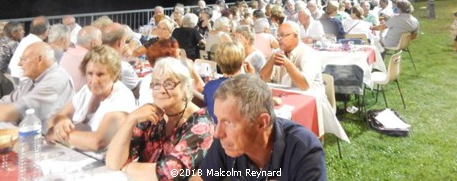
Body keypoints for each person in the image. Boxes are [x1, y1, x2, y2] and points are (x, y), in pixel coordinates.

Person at [194, 74, 326, 181]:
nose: (217, 133)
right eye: (218, 120)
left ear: (262, 123)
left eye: (228, 122)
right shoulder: (226, 142)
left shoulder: (302, 149)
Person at [105, 57, 214, 180]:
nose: (161, 90)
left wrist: (127, 167)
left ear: (185, 87)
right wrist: (130, 120)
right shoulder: (150, 114)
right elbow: (112, 163)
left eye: (169, 84)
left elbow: (168, 173)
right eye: (156, 84)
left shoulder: (201, 124)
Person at [0, 42, 74, 132]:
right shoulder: (32, 79)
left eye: (23, 59)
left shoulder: (56, 80)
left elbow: (7, 114)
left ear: (40, 59)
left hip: (44, 141)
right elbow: (2, 104)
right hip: (24, 133)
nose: (19, 64)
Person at [46, 46, 136, 156]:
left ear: (114, 75)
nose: (94, 81)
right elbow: (55, 118)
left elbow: (98, 142)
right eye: (90, 73)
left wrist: (57, 133)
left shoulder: (122, 98)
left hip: (103, 164)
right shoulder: (87, 90)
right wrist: (61, 122)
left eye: (100, 74)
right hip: (77, 155)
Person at [203, 41, 245, 122]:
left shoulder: (209, 86)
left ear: (218, 62)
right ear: (241, 62)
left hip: (215, 131)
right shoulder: (246, 86)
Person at [0, 22, 25, 95]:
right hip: (2, 82)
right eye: (21, 30)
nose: (23, 32)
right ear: (14, 33)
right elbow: (20, 61)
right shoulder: (14, 44)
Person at [60, 26, 103, 92]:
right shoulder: (91, 59)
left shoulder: (66, 53)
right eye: (100, 39)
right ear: (93, 43)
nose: (102, 43)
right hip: (79, 99)